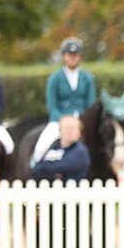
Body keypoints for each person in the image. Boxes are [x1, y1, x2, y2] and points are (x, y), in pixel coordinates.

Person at [32, 37, 96, 167]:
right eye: (69, 55)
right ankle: (36, 164)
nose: (73, 57)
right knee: (43, 144)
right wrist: (63, 120)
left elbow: (91, 103)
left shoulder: (88, 78)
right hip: (59, 121)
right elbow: (52, 105)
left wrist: (82, 120)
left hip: (82, 120)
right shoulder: (54, 78)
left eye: (76, 55)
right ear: (64, 56)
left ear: (80, 57)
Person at [31, 115, 90, 182]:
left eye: (73, 128)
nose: (69, 131)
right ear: (60, 131)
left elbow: (67, 167)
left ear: (79, 132)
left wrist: (46, 170)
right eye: (66, 127)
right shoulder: (54, 147)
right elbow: (36, 169)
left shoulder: (80, 151)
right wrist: (54, 175)